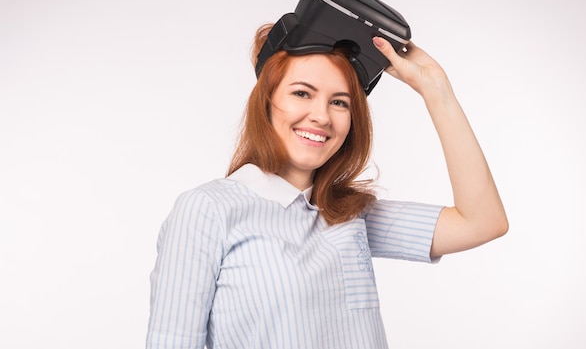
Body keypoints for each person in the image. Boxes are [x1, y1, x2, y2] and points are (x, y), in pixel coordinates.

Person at [146, 22, 508, 348]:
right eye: (302, 93)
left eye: (339, 102)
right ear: (267, 102)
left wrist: (435, 89)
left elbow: (482, 222)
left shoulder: (349, 214)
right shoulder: (208, 210)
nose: (321, 116)